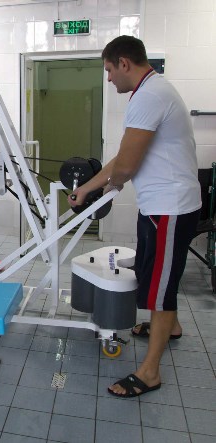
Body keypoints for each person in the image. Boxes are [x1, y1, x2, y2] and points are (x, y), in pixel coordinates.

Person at [69, 36, 201, 397]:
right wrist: (89, 188)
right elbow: (123, 157)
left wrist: (105, 188)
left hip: (170, 208)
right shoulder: (150, 91)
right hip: (159, 206)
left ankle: (150, 372)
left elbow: (125, 167)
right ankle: (171, 328)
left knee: (159, 289)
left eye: (109, 70)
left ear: (124, 63)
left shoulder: (149, 96)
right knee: (153, 272)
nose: (109, 78)